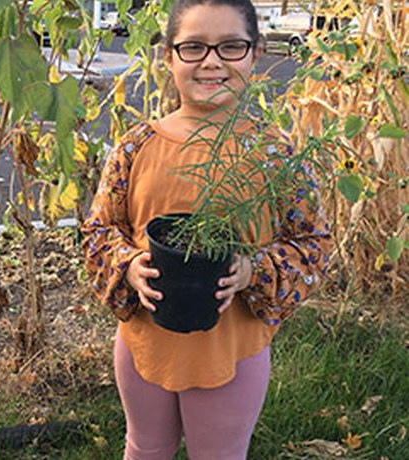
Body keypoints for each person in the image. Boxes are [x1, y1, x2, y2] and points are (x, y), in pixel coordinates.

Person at [81, 0, 332, 459]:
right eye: (193, 47)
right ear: (169, 57)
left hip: (230, 350)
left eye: (230, 47)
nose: (212, 61)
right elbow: (98, 231)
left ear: (255, 53)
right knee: (143, 448)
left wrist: (253, 270)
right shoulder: (137, 146)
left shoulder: (277, 156)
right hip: (144, 343)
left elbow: (313, 245)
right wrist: (129, 265)